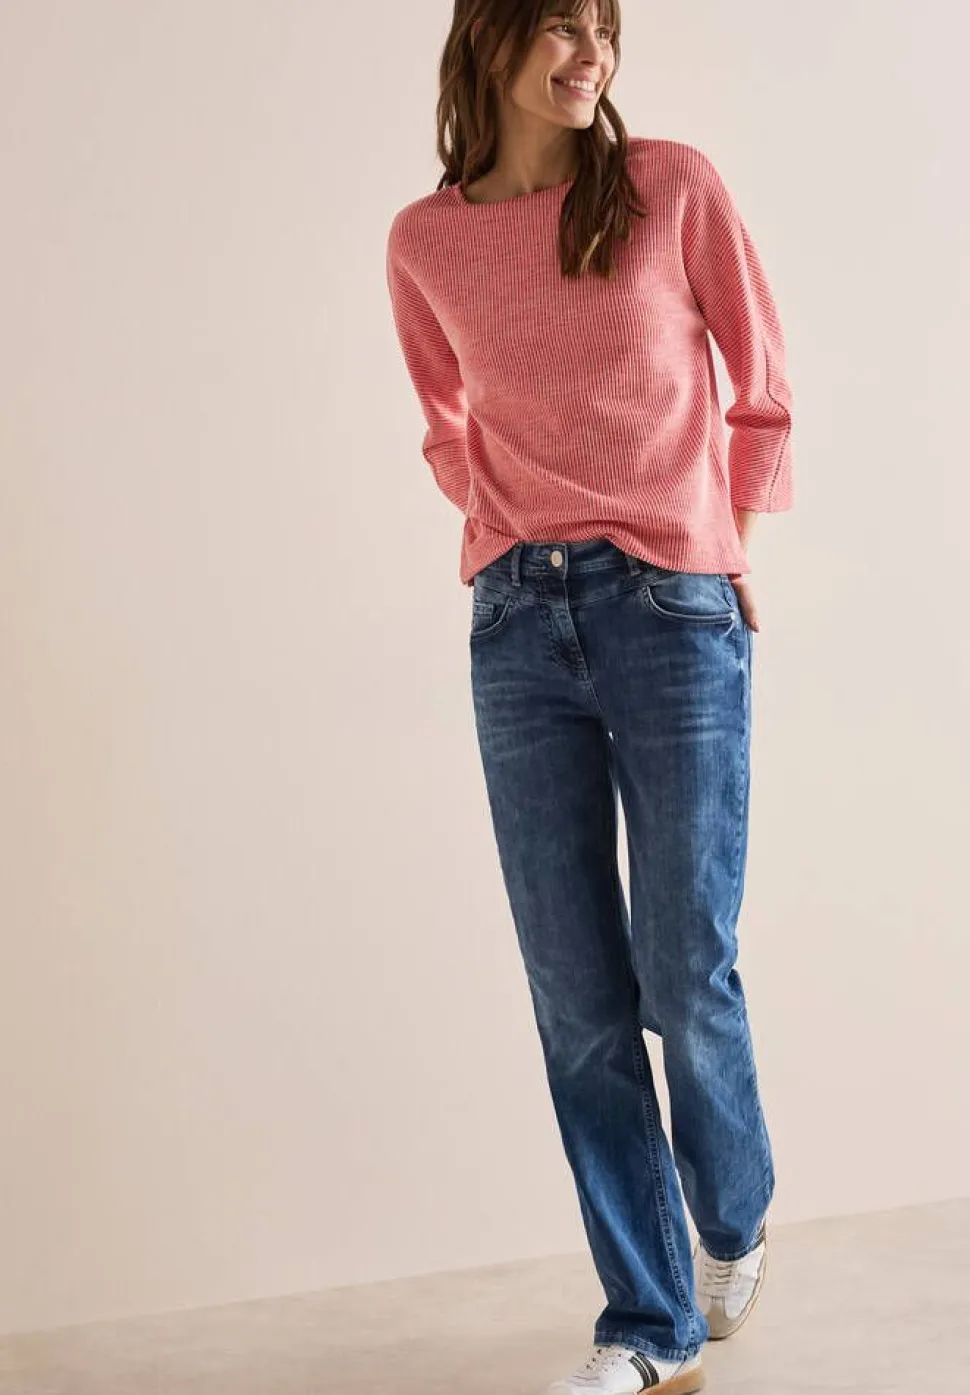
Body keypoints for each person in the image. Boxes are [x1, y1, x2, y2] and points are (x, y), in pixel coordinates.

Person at [385, 3, 792, 1391]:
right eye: (562, 26)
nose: (591, 55)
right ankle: (648, 1323)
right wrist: (502, 519)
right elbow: (444, 423)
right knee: (577, 998)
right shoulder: (424, 243)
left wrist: (726, 545)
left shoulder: (670, 187)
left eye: (604, 30)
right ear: (490, 42)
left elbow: (762, 391)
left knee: (684, 968)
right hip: (516, 622)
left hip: (672, 608)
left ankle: (733, 1210)